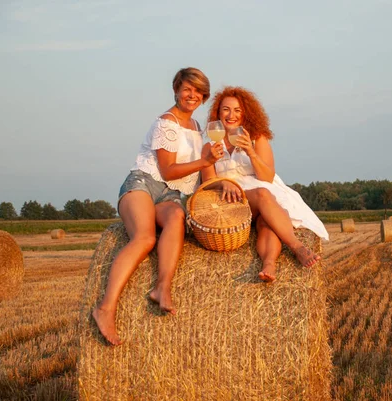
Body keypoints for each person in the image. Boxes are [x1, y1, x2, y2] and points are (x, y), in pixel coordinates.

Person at [93, 67, 224, 346]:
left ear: (203, 97)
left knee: (177, 216)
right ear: (176, 89)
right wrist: (204, 161)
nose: (192, 95)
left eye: (198, 91)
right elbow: (166, 170)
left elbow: (200, 175)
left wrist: (222, 185)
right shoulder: (166, 123)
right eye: (187, 89)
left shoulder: (197, 128)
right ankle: (105, 308)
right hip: (144, 184)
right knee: (145, 238)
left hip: (171, 196)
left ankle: (162, 287)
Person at [200, 86, 329, 283]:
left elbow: (267, 176)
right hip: (232, 200)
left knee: (266, 223)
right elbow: (207, 180)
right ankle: (297, 247)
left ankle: (269, 264)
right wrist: (223, 182)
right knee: (262, 194)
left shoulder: (257, 138)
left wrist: (250, 151)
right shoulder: (209, 146)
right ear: (218, 113)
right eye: (225, 109)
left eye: (237, 110)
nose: (231, 115)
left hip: (264, 195)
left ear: (246, 113)